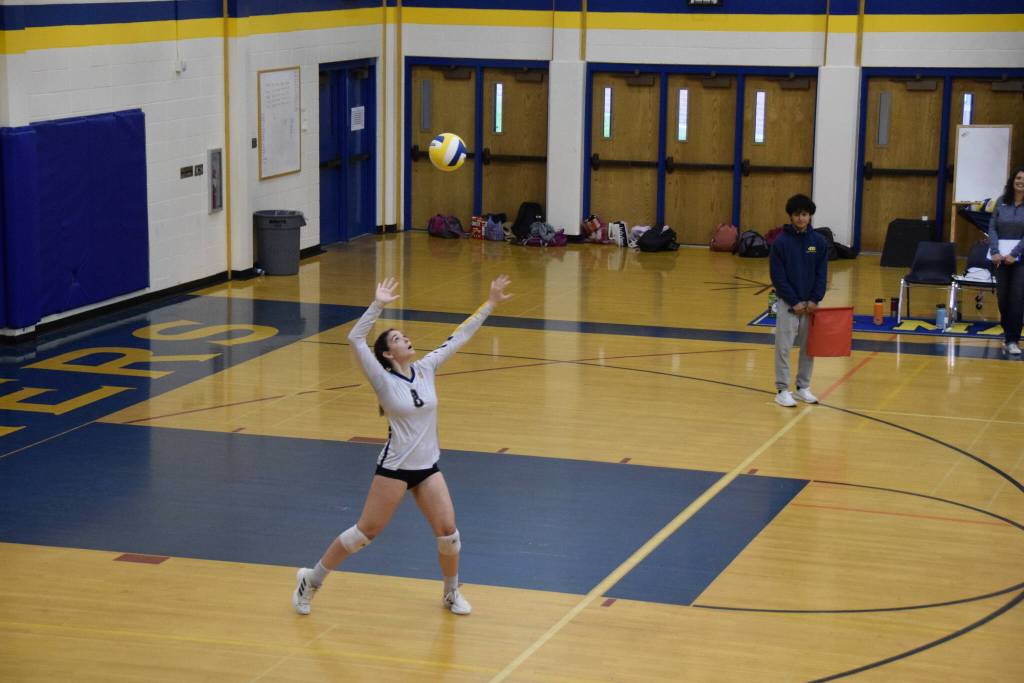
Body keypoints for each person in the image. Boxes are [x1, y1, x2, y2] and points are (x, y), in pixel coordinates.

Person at [292, 274, 513, 616]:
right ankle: (312, 579)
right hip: (395, 469)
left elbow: (459, 336)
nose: (406, 339)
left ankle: (451, 593)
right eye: (397, 338)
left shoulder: (426, 368)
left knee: (448, 534)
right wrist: (378, 304)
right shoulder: (382, 379)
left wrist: (490, 303)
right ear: (386, 352)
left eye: (404, 336)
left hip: (427, 468)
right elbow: (354, 337)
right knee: (364, 534)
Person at [769, 194, 829, 408]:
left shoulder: (819, 242)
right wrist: (793, 301)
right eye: (797, 215)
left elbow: (822, 273)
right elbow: (778, 277)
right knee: (783, 348)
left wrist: (814, 299)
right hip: (789, 305)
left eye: (804, 214)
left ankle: (803, 387)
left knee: (808, 347)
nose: (801, 218)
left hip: (811, 305)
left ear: (810, 216)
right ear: (791, 217)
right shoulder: (780, 243)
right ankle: (782, 390)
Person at [988, 165, 1024, 356]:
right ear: (1013, 181)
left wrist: (1015, 254)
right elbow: (992, 227)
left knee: (1017, 299)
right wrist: (995, 251)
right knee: (1003, 299)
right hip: (999, 258)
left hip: (1020, 259)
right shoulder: (1002, 202)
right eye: (1018, 179)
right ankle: (1007, 333)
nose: (1021, 182)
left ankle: (1013, 340)